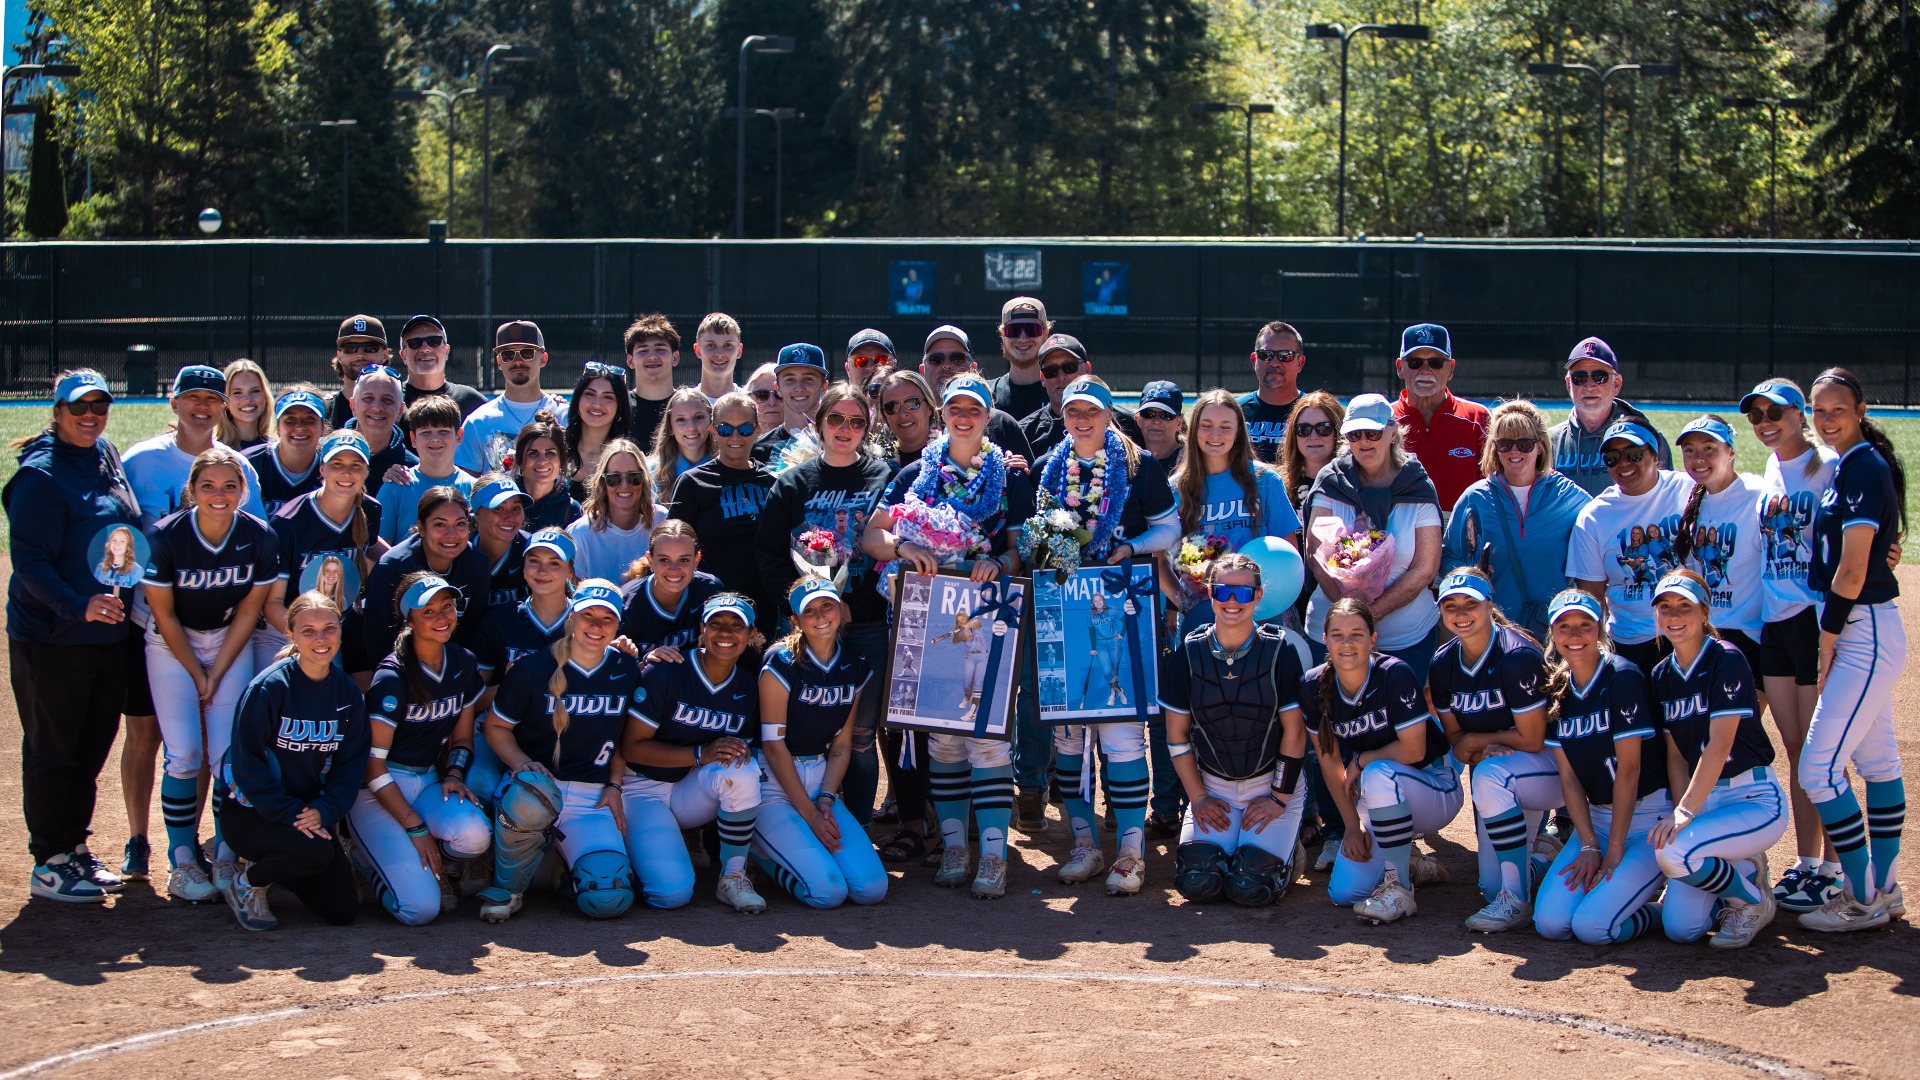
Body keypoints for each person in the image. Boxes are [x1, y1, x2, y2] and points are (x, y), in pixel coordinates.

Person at [862, 374, 1035, 898]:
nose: (964, 416)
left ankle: (992, 853)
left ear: (987, 417)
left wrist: (996, 561)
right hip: (932, 613)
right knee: (942, 735)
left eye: (975, 409)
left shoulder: (1008, 476)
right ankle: (956, 846)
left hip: (986, 611)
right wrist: (902, 550)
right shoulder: (918, 471)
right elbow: (872, 533)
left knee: (985, 733)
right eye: (955, 407)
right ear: (943, 414)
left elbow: (1023, 546)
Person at [1031, 376, 1180, 896]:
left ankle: (1131, 853)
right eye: (1073, 410)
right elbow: (1042, 539)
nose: (1082, 419)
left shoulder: (1141, 465)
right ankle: (1084, 846)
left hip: (1125, 605)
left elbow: (1169, 531)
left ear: (1108, 414)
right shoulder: (1050, 467)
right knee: (1069, 733)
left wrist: (1129, 546)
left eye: (1092, 410)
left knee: (1119, 732)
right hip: (1066, 609)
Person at [5, 370, 140, 902]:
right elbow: (31, 563)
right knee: (54, 749)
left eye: (99, 406)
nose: (90, 415)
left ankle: (74, 848)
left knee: (90, 748)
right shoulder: (40, 477)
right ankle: (49, 861)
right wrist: (76, 605)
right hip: (54, 638)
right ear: (57, 412)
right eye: (79, 407)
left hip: (107, 636)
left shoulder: (104, 453)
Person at [1796, 367, 1909, 932]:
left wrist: (1828, 638)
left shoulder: (1863, 465)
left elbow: (1852, 570)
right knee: (1878, 760)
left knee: (1819, 771)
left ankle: (1860, 893)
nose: (1827, 420)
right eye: (1818, 410)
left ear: (1861, 409)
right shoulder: (1849, 466)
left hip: (1860, 628)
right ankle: (1884, 888)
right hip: (1867, 627)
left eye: (1837, 408)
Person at [141, 447, 279, 903]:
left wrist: (216, 672)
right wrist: (196, 675)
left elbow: (249, 611)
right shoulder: (166, 536)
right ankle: (181, 860)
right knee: (183, 752)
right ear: (191, 491)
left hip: (226, 641)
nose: (218, 495)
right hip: (171, 643)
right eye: (208, 486)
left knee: (227, 755)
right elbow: (163, 615)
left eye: (229, 486)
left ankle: (225, 851)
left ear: (243, 491)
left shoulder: (259, 535)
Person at [755, 385, 895, 820]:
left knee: (861, 734)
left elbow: (892, 555)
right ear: (819, 424)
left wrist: (857, 609)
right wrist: (804, 608)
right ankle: (792, 815)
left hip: (865, 623)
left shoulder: (883, 476)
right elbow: (769, 556)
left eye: (856, 422)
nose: (845, 429)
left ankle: (857, 824)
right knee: (798, 727)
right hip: (804, 627)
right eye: (836, 419)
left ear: (866, 429)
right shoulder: (793, 482)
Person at [479, 579, 640, 922]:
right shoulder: (533, 667)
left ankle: (554, 869)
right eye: (587, 616)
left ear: (618, 625)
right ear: (571, 617)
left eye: (607, 619)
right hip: (537, 790)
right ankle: (509, 887)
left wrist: (614, 784)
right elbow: (495, 726)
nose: (596, 626)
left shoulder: (626, 669)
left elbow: (625, 738)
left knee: (608, 896)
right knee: (527, 799)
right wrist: (523, 764)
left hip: (591, 797)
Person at [1742, 378, 1843, 913]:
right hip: (1774, 624)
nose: (1766, 422)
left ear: (1800, 415)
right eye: (1757, 414)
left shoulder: (1826, 465)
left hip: (1813, 619)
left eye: (1775, 412)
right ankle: (1807, 864)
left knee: (1822, 752)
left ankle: (1835, 865)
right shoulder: (1772, 473)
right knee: (1798, 751)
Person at [1161, 554, 1314, 907]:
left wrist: (1278, 798)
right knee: (1198, 881)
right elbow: (1177, 736)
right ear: (1210, 594)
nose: (1232, 602)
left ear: (1258, 596)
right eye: (1223, 592)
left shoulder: (1280, 651)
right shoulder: (1188, 654)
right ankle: (1239, 847)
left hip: (1271, 785)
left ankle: (1290, 856)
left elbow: (1295, 733)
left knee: (1251, 885)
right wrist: (1198, 797)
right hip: (1216, 788)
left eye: (1243, 593)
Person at [1646, 570, 1787, 947]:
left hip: (1752, 799)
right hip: (1705, 799)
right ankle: (1741, 869)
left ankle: (1753, 901)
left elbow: (1719, 745)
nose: (1674, 616)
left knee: (1674, 854)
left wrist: (1686, 813)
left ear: (1704, 613)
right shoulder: (1662, 674)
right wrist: (1682, 808)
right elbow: (1676, 754)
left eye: (1684, 607)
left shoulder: (1727, 659)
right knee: (1682, 928)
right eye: (1665, 607)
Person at [1303, 597, 1461, 922]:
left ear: (1373, 639)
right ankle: (1411, 864)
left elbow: (1415, 751)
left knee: (1377, 772)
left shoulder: (1393, 674)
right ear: (1325, 638)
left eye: (1357, 634)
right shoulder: (1313, 685)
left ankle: (1399, 888)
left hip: (1434, 787)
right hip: (1384, 798)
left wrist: (1361, 761)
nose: (1347, 643)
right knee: (1344, 893)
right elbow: (1329, 762)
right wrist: (1350, 826)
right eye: (1338, 634)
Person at [218, 590, 369, 930]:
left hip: (310, 816)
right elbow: (247, 765)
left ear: (341, 631)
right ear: (291, 634)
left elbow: (349, 768)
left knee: (342, 909)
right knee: (313, 852)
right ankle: (247, 883)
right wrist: (290, 813)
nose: (321, 639)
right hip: (253, 814)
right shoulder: (269, 688)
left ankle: (284, 866)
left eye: (329, 628)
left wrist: (325, 810)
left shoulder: (347, 694)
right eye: (308, 631)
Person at [346, 572, 489, 925]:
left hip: (425, 780)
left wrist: (454, 773)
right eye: (429, 612)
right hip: (377, 791)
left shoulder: (462, 662)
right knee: (419, 910)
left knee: (475, 837)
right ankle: (363, 861)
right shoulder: (392, 678)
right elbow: (371, 767)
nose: (442, 617)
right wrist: (416, 827)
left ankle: (431, 869)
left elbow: (463, 739)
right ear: (409, 620)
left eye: (448, 607)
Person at [1530, 589, 1670, 945]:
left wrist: (1616, 848)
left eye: (1584, 625)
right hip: (1597, 822)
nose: (1574, 636)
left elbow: (1631, 770)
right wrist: (1591, 844)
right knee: (1551, 924)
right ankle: (1623, 893)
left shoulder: (1622, 677)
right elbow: (1569, 777)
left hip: (1645, 824)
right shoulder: (1557, 687)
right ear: (1552, 633)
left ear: (1601, 629)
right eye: (1564, 626)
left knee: (1592, 928)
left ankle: (1661, 912)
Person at [1428, 570, 1559, 933]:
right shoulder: (1443, 663)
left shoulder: (1516, 656)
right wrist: (1477, 745)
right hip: (1500, 773)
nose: (1461, 612)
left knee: (1488, 773)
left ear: (1489, 605)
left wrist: (1476, 743)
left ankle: (1516, 899)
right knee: (1489, 886)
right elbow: (1456, 737)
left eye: (1471, 603)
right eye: (1451, 605)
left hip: (1549, 770)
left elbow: (1532, 740)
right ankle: (1547, 863)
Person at [622, 593, 768, 913]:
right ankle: (633, 848)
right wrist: (700, 754)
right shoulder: (666, 670)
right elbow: (630, 748)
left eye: (736, 625)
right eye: (716, 623)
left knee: (742, 767)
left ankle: (733, 875)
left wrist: (703, 758)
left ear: (751, 633)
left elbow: (733, 759)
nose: (725, 632)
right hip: (642, 788)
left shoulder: (747, 687)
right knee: (671, 895)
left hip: (690, 788)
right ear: (702, 628)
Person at [753, 576, 888, 908]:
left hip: (818, 781)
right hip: (772, 785)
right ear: (795, 620)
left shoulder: (854, 665)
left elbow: (842, 745)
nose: (820, 616)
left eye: (827, 606)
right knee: (827, 893)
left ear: (841, 609)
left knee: (871, 889)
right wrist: (809, 815)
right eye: (809, 611)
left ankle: (796, 842)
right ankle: (759, 852)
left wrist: (825, 800)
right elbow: (773, 746)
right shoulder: (780, 661)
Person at [1301, 393, 1443, 682]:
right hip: (1331, 635)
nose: (1364, 441)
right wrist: (1350, 623)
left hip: (1406, 639)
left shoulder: (1417, 485)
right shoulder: (1330, 481)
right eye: (1355, 434)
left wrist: (1369, 616)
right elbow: (1316, 557)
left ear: (1392, 432)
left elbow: (1425, 569)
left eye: (1373, 432)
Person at [1443, 400, 1591, 639]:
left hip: (1554, 635)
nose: (1514, 451)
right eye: (1505, 444)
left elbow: (1601, 538)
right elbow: (1449, 557)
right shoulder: (1475, 498)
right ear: (1494, 448)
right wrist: (1470, 575)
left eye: (1524, 443)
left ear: (1540, 447)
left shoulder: (1569, 497)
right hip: (1492, 635)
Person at [1165, 389, 1302, 637]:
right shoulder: (1175, 489)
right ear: (1193, 430)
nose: (1215, 434)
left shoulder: (1265, 480)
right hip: (1206, 618)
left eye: (1225, 426)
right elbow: (1160, 558)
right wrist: (1187, 602)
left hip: (1266, 614)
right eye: (1206, 425)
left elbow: (1288, 552)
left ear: (1239, 431)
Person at [1566, 420, 1693, 674]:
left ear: (1656, 455)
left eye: (1634, 454)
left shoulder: (1689, 490)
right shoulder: (1594, 516)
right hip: (1629, 641)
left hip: (1688, 634)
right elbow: (1593, 598)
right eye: (1613, 458)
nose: (1623, 463)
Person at [260, 430, 386, 675]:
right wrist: (307, 639)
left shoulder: (370, 509)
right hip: (288, 630)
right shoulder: (289, 522)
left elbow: (375, 549)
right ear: (322, 469)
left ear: (367, 472)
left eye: (356, 465)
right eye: (337, 464)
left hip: (341, 626)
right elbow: (273, 604)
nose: (347, 473)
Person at [469, 528, 579, 800]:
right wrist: (509, 684)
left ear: (570, 570)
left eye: (554, 563)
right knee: (481, 784)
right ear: (523, 566)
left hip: (563, 734)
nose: (542, 571)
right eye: (534, 561)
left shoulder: (587, 622)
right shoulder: (500, 619)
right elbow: (473, 701)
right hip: (498, 729)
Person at [1671, 415, 1768, 686]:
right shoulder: (1688, 499)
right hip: (1706, 636)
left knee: (1741, 727)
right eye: (1689, 451)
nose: (1698, 458)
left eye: (1709, 448)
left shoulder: (1757, 492)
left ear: (1731, 451)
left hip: (1750, 635)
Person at [666, 391, 775, 619]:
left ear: (757, 431)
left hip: (765, 607)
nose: (735, 437)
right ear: (714, 432)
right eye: (725, 429)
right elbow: (674, 547)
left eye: (744, 429)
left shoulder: (774, 482)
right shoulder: (692, 483)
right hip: (710, 607)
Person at [124, 364, 267, 527]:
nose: (203, 405)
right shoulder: (139, 460)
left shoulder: (239, 466)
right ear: (175, 404)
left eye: (212, 398)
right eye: (193, 396)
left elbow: (258, 534)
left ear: (223, 407)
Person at [364, 486, 491, 669]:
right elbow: (378, 640)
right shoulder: (393, 567)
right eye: (440, 524)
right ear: (421, 528)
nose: (452, 534)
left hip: (452, 667)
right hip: (401, 667)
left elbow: (472, 631)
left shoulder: (477, 564)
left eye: (460, 524)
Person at [1550, 337, 1673, 496]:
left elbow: (1666, 499)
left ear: (1616, 384)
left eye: (1599, 377)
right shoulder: (1548, 442)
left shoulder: (1647, 439)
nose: (1589, 385)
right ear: (1568, 384)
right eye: (1579, 378)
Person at [1390, 323, 1487, 514]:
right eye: (1415, 362)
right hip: (1397, 534)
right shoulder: (1384, 420)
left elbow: (1496, 487)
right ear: (1401, 368)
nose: (1425, 370)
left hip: (1461, 535)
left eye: (1436, 362)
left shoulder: (1477, 418)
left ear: (1450, 369)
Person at [456, 321, 570, 475]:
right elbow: (466, 489)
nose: (517, 361)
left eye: (527, 353)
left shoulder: (565, 416)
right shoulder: (478, 422)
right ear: (499, 362)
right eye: (508, 355)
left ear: (543, 359)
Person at [916, 325, 1036, 460]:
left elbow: (1029, 477)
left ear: (974, 368)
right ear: (922, 370)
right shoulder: (910, 420)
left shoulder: (1001, 423)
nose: (947, 365)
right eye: (936, 360)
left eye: (957, 359)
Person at [1017, 334, 1141, 460]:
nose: (1061, 377)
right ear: (1042, 378)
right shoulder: (1025, 432)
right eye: (1051, 371)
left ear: (1087, 369)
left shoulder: (1127, 423)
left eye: (1069, 367)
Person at [378, 395, 475, 545]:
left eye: (443, 431)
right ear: (413, 438)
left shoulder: (474, 489)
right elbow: (378, 550)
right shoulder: (395, 487)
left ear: (459, 435)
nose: (435, 438)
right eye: (426, 432)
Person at [567, 438, 667, 582]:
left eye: (634, 477)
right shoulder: (581, 533)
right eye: (614, 478)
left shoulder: (661, 520)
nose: (625, 485)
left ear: (644, 479)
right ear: (602, 482)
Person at [618, 520, 722, 655]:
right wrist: (645, 663)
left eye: (684, 560)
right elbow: (616, 669)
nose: (674, 569)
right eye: (664, 560)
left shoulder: (710, 589)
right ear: (650, 560)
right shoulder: (625, 604)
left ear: (696, 560)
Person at [244, 385, 329, 516]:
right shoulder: (248, 464)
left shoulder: (333, 468)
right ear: (278, 427)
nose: (300, 427)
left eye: (310, 419)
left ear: (323, 427)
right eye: (290, 419)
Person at [394, 314, 487, 423]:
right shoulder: (392, 401)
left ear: (447, 351)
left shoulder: (471, 401)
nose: (425, 349)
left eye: (434, 341)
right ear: (403, 355)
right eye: (415, 343)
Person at [345, 365, 419, 499]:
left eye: (387, 400)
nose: (377, 408)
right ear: (353, 406)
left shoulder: (411, 471)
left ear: (400, 410)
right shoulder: (326, 458)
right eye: (368, 398)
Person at [1239, 321, 1307, 464]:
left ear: (1300, 363)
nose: (1275, 362)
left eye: (1285, 355)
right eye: (1265, 355)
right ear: (1254, 360)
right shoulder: (1234, 411)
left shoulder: (1316, 412)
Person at [753, 343, 831, 465]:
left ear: (824, 386)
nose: (799, 388)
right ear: (778, 387)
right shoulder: (758, 451)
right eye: (790, 379)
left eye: (808, 379)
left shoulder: (838, 444)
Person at [565, 362, 631, 492]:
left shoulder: (628, 458)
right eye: (590, 394)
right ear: (577, 398)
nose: (597, 404)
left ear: (620, 406)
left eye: (608, 397)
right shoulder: (556, 449)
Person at [470, 475, 533, 609]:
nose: (509, 517)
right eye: (498, 508)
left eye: (516, 508)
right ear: (477, 513)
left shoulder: (534, 550)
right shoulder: (458, 552)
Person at [512, 413, 581, 532]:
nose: (542, 461)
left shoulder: (571, 510)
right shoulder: (504, 502)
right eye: (533, 453)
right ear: (520, 461)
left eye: (550, 453)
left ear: (562, 461)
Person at [624, 313, 682, 450]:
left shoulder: (689, 406)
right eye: (643, 351)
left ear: (675, 357)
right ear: (630, 361)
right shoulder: (619, 408)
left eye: (660, 349)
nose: (652, 356)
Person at [989, 296, 1052, 421]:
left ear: (1046, 334)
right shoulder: (987, 395)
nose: (1023, 338)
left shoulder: (1059, 392)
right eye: (1014, 330)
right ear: (1002, 335)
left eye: (1031, 329)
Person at [1280, 390, 1344, 510]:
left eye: (1323, 428)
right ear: (1294, 435)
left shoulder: (1353, 486)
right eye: (1304, 429)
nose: (1313, 436)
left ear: (1338, 432)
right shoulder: (1277, 486)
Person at [649, 387, 715, 502]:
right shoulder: (651, 473)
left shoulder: (727, 466)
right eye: (681, 420)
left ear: (711, 421)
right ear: (671, 428)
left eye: (699, 417)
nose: (691, 427)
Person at [327, 314, 390, 429]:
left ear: (385, 355)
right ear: (339, 356)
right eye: (350, 348)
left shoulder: (397, 412)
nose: (360, 355)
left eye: (370, 348)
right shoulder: (323, 413)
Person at [875, 369, 938, 466]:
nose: (903, 413)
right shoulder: (876, 463)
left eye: (912, 403)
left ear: (929, 407)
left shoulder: (950, 455)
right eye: (892, 406)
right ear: (885, 414)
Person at [217, 359, 272, 450]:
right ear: (225, 401)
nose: (248, 399)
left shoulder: (277, 452)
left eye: (255, 391)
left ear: (265, 397)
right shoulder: (215, 452)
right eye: (237, 393)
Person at [693, 312, 746, 402]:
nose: (719, 353)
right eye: (711, 345)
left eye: (728, 345)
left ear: (739, 351)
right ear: (698, 350)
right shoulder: (685, 404)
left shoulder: (749, 403)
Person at [1136, 380, 1186, 474]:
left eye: (1165, 415)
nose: (1156, 421)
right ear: (1138, 419)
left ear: (1179, 422)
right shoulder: (1125, 460)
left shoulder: (1193, 462)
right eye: (1149, 414)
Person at [746, 362, 785, 435]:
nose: (772, 403)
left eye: (779, 395)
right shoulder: (738, 439)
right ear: (749, 399)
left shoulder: (805, 439)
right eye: (762, 395)